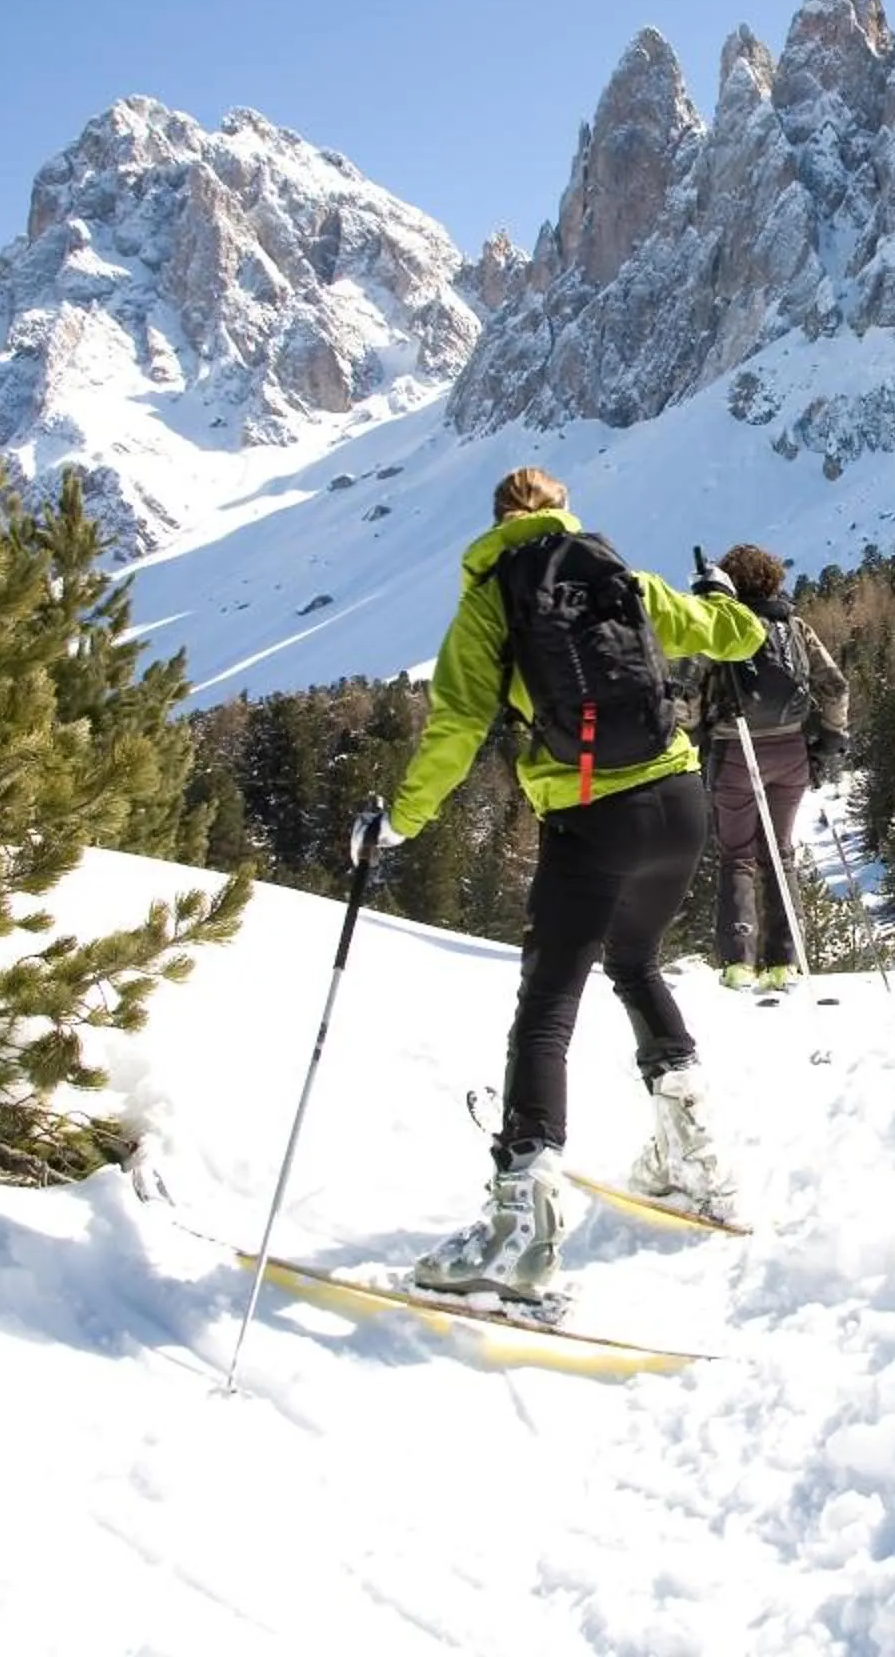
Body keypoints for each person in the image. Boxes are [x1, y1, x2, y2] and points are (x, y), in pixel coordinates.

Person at [366, 466, 765, 1306]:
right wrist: (721, 593)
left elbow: (456, 726)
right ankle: (692, 1155)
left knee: (548, 1005)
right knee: (635, 961)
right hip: (681, 802)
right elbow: (736, 637)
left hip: (593, 819)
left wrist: (398, 821)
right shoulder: (619, 577)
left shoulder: (489, 602)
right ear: (561, 510)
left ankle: (520, 1228)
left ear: (499, 519)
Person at [683, 543, 850, 992]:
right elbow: (833, 684)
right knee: (779, 851)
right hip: (791, 749)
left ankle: (738, 961)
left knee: (736, 855)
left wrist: (693, 738)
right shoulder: (794, 627)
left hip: (734, 750)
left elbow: (689, 693)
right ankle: (785, 962)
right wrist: (831, 736)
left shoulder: (723, 627)